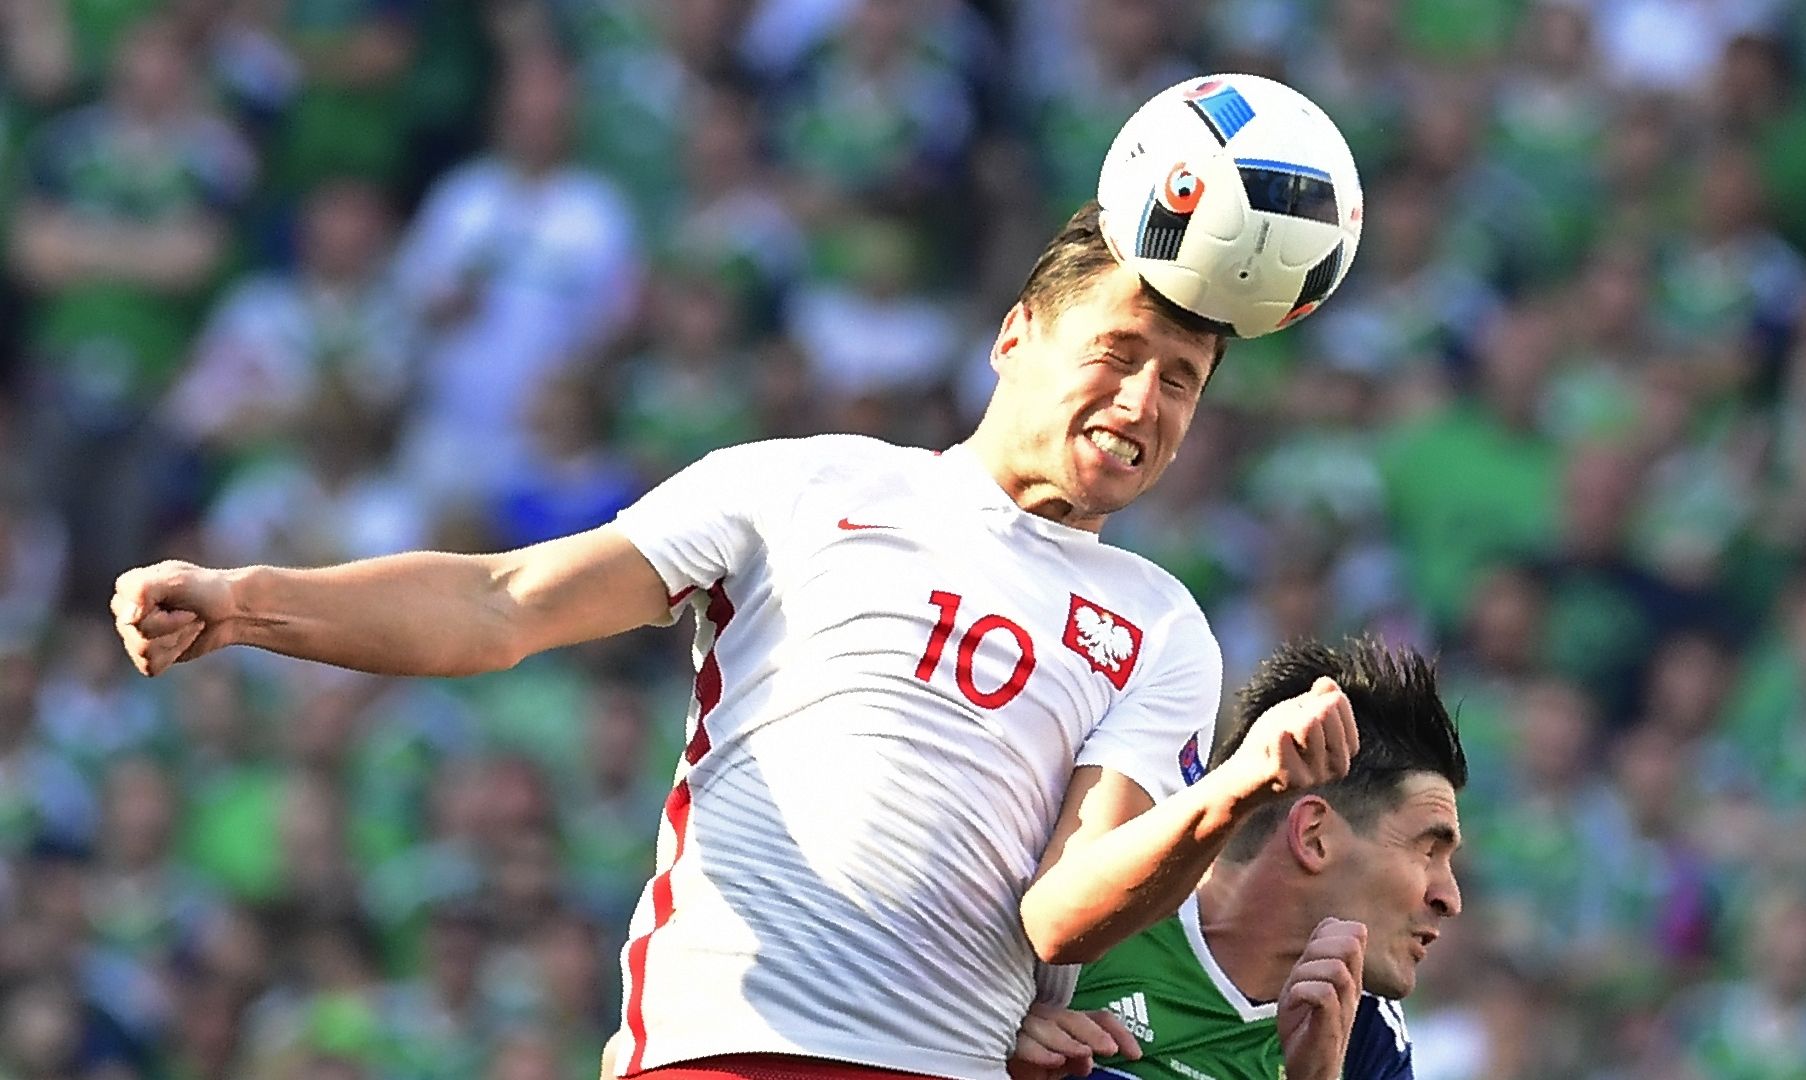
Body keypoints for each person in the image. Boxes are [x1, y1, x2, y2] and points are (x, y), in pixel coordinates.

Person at [112, 200, 1362, 1080]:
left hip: (946, 1066)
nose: (1143, 401)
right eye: (1118, 352)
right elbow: (506, 602)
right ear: (1014, 336)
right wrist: (249, 600)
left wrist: (1236, 788)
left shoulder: (1159, 623)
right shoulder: (802, 485)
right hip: (722, 1047)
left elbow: (1062, 917)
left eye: (1181, 379)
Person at [1016, 638, 1467, 1080]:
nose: (1450, 898)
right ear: (1314, 836)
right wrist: (991, 1042)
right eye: (1428, 850)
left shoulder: (1366, 1037)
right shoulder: (1092, 914)